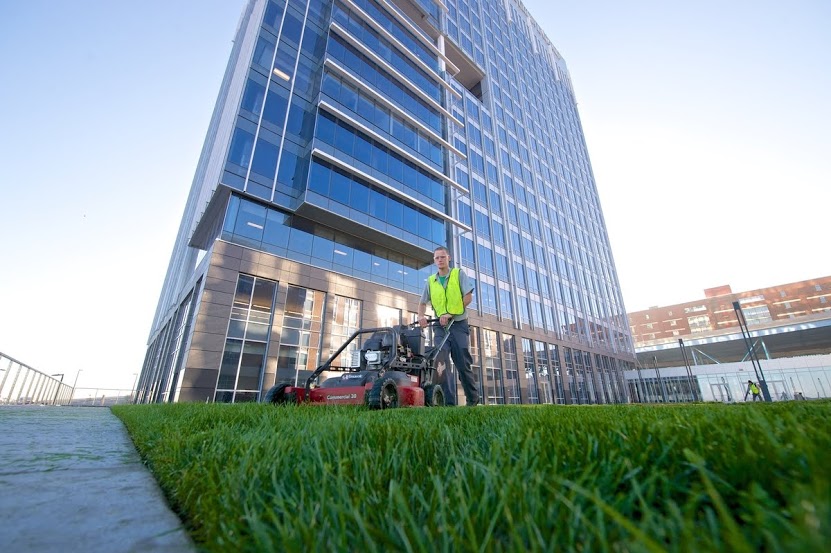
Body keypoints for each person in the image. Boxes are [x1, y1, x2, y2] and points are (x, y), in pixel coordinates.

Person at [418, 246, 480, 407]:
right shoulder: (431, 281)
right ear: (434, 260)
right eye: (437, 258)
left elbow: (468, 297)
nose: (440, 260)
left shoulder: (458, 274)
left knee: (462, 363)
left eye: (442, 257)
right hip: (440, 326)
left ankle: (472, 400)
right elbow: (422, 303)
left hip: (458, 324)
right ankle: (449, 403)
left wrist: (451, 313)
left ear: (449, 258)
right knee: (441, 361)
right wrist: (421, 316)